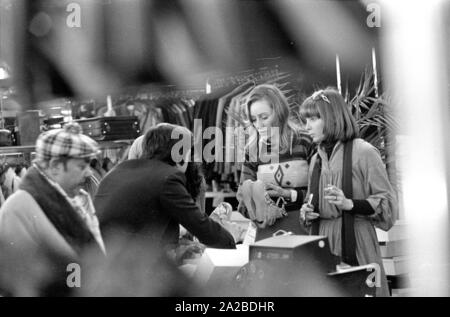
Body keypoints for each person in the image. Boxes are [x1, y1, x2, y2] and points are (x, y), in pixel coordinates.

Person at [299, 88, 398, 297]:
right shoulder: (316, 159)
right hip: (322, 244)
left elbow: (388, 207)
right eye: (305, 119)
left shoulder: (364, 152)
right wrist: (306, 212)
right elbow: (310, 200)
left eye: (314, 118)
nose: (306, 126)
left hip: (357, 242)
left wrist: (350, 204)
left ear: (333, 117)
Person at [94, 123, 237, 254]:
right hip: (130, 267)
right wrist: (232, 241)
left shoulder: (118, 171)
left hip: (103, 261)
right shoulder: (167, 177)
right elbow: (200, 226)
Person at [0, 123, 105, 294]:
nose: (89, 173)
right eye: (81, 166)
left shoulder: (77, 198)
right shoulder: (18, 208)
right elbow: (20, 283)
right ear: (55, 165)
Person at [237, 84, 314, 240]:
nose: (259, 125)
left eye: (264, 117)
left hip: (306, 231)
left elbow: (319, 192)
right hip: (267, 235)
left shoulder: (305, 141)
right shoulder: (252, 151)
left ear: (279, 112)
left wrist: (291, 195)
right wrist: (261, 212)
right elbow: (242, 199)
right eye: (254, 119)